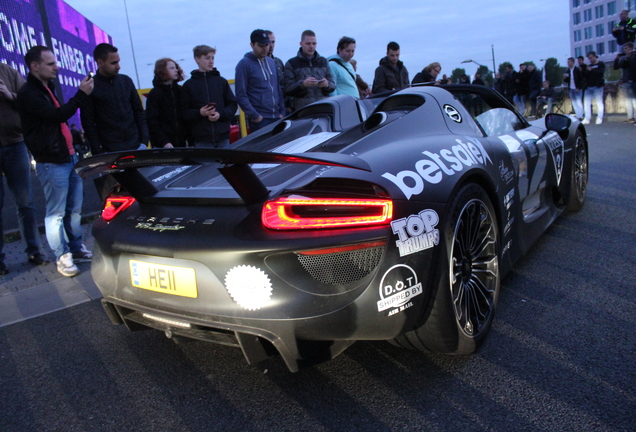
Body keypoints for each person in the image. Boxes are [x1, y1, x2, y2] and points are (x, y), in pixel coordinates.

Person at [16, 45, 93, 277]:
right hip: (51, 160)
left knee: (74, 209)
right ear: (34, 66)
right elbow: (56, 116)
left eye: (55, 62)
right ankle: (62, 256)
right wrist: (80, 94)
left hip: (68, 156)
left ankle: (76, 248)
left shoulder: (46, 88)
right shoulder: (29, 93)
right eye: (50, 64)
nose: (56, 67)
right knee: (56, 213)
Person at [0, 62, 50, 274]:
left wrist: (9, 95)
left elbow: (27, 100)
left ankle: (34, 250)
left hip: (15, 143)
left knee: (25, 203)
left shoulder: (8, 71)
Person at [80, 43, 149, 154]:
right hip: (110, 151)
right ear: (100, 63)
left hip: (136, 147)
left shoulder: (126, 81)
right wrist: (98, 151)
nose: (118, 66)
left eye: (118, 61)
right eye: (113, 63)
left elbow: (139, 112)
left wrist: (144, 141)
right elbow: (88, 122)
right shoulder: (91, 86)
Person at [182, 45, 238, 148]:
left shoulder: (221, 82)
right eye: (207, 58)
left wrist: (220, 114)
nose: (211, 61)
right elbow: (184, 112)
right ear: (197, 59)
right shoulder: (189, 86)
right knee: (206, 164)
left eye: (212, 58)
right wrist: (200, 113)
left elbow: (233, 105)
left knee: (225, 164)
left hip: (223, 137)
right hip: (202, 139)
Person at [235, 30, 286, 132]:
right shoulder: (244, 65)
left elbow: (277, 89)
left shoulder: (272, 63)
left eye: (266, 44)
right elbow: (241, 95)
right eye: (261, 45)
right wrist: (256, 116)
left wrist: (282, 112)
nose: (265, 48)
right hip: (260, 120)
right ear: (252, 45)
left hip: (277, 117)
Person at [283, 30, 335, 110]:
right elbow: (287, 89)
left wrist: (327, 84)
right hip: (303, 110)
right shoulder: (291, 63)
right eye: (308, 43)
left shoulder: (323, 62)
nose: (311, 46)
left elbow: (333, 85)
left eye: (314, 43)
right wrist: (303, 84)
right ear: (301, 44)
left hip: (323, 108)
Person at [146, 58, 189, 148]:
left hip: (182, 144)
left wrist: (191, 141)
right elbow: (152, 122)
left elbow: (186, 117)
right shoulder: (155, 94)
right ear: (162, 71)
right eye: (172, 68)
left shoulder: (181, 91)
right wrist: (164, 141)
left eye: (176, 67)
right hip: (163, 146)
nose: (176, 70)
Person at [614, 42, 636, 123]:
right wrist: (617, 59)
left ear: (631, 48)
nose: (625, 50)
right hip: (625, 80)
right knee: (628, 100)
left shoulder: (634, 56)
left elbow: (633, 66)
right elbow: (616, 67)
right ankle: (630, 117)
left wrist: (630, 57)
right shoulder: (624, 58)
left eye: (626, 48)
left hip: (633, 80)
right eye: (624, 49)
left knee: (634, 100)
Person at [582, 51, 605, 125]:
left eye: (591, 58)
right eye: (589, 58)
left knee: (599, 102)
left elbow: (600, 72)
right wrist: (586, 71)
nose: (590, 60)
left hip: (597, 86)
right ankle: (587, 118)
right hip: (589, 86)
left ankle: (599, 117)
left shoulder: (600, 64)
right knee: (586, 103)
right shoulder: (589, 66)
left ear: (595, 56)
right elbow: (585, 76)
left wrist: (592, 70)